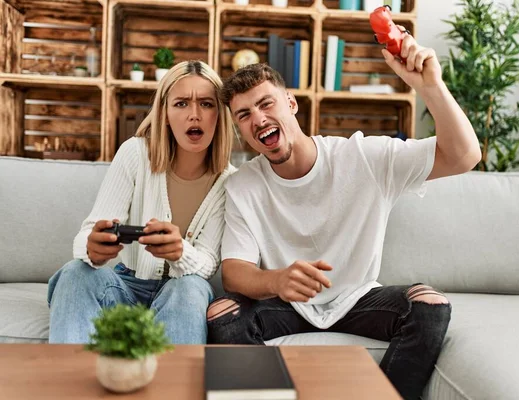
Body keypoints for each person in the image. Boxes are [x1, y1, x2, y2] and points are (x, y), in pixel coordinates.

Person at [206, 29, 481, 400]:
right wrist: (277, 281)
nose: (257, 119)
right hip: (286, 304)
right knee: (223, 313)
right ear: (239, 128)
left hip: (358, 298)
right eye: (244, 114)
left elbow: (464, 156)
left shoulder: (363, 157)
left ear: (291, 104)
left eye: (266, 104)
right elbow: (234, 273)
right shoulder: (243, 186)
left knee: (431, 306)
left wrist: (430, 86)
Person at [47, 60, 235, 345]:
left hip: (180, 293)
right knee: (75, 272)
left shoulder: (230, 182)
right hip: (124, 285)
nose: (194, 115)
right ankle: (71, 387)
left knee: (190, 287)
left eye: (207, 104)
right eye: (181, 103)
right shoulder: (135, 154)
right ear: (166, 113)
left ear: (220, 114)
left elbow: (208, 264)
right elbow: (88, 232)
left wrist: (179, 252)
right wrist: (92, 247)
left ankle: (172, 388)